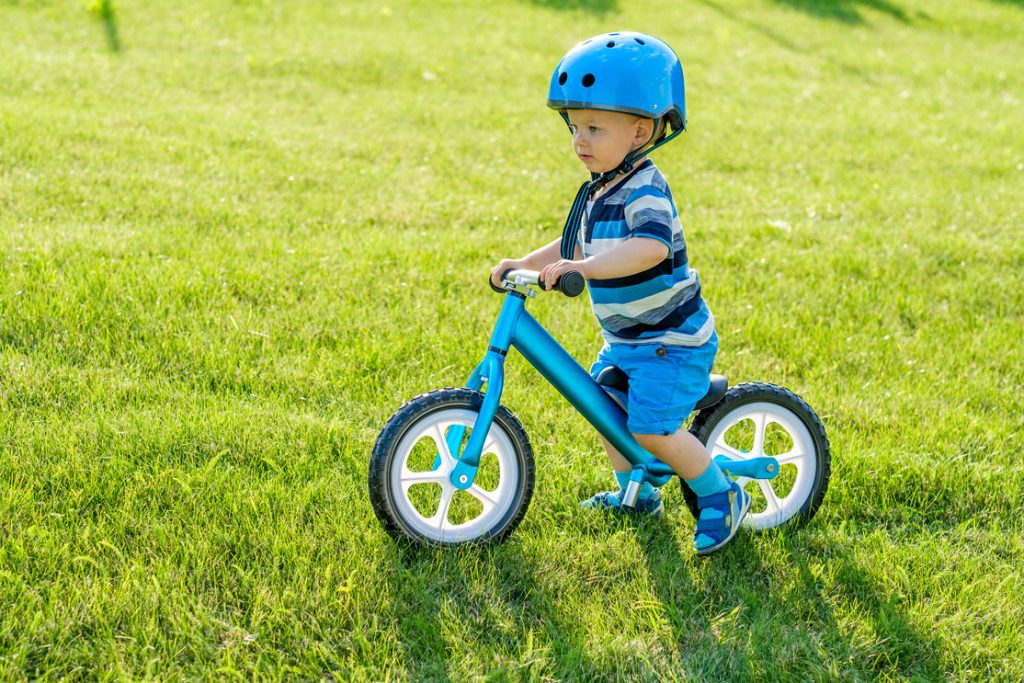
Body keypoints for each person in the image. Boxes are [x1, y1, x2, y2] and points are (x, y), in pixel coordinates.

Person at [490, 31, 749, 555]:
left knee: (652, 429)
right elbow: (569, 243)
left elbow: (650, 247)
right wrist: (526, 263)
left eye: (594, 128)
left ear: (640, 131)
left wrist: (583, 268)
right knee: (601, 408)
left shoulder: (645, 187)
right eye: (574, 127)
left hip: (670, 341)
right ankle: (638, 492)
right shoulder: (599, 186)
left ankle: (720, 493)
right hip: (629, 341)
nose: (580, 140)